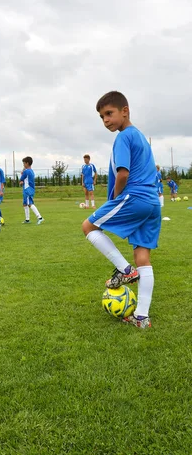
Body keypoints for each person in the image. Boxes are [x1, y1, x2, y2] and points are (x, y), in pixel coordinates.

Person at [81, 91, 160, 329]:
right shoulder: (141, 138)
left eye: (109, 113)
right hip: (152, 203)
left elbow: (123, 173)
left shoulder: (124, 137)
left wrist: (115, 197)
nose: (105, 120)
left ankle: (125, 270)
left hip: (133, 197)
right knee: (143, 257)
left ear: (125, 111)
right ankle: (141, 318)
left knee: (88, 227)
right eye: (101, 116)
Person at [19, 157, 44, 224]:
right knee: (25, 204)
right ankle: (27, 219)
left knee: (29, 203)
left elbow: (21, 179)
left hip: (27, 189)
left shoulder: (26, 171)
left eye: (24, 163)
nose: (23, 165)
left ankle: (40, 217)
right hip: (30, 189)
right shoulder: (31, 171)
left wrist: (21, 175)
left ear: (27, 163)